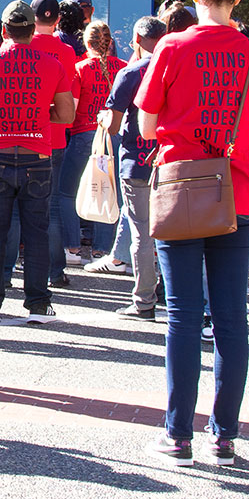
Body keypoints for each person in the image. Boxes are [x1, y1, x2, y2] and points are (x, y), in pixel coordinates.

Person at [138, 0, 249, 467]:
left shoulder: (171, 45)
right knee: (232, 317)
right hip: (236, 189)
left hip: (180, 188)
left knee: (182, 317)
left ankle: (178, 435)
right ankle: (225, 434)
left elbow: (147, 125)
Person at [0, 0, 75, 324]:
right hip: (37, 155)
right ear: (32, 31)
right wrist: (37, 114)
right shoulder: (52, 63)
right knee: (37, 231)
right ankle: (39, 304)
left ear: (4, 30)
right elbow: (66, 114)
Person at [101, 16, 167, 317]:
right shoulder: (173, 69)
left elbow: (113, 126)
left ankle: (144, 300)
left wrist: (104, 119)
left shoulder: (129, 73)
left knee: (142, 232)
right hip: (168, 160)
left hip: (137, 162)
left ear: (137, 41)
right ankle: (170, 290)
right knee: (172, 231)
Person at [29, 0, 83, 283]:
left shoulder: (22, 46)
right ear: (58, 20)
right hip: (56, 138)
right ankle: (55, 271)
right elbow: (70, 105)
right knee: (50, 207)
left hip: (24, 134)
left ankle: (6, 269)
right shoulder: (67, 52)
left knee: (15, 206)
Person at [72, 21, 127, 258]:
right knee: (110, 191)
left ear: (86, 42)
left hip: (85, 133)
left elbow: (71, 110)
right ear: (110, 43)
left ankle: (72, 245)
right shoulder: (124, 68)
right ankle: (103, 248)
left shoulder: (80, 68)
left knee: (70, 191)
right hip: (115, 135)